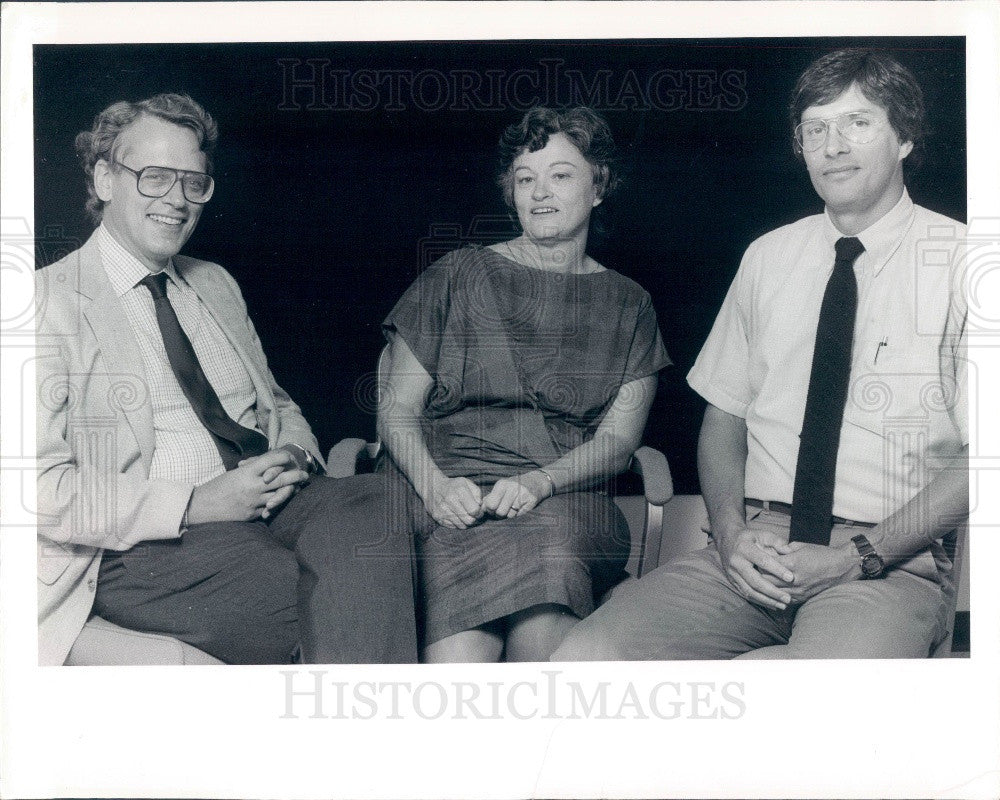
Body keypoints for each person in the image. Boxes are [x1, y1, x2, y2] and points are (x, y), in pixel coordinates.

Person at [553, 49, 968, 661]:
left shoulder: (962, 261)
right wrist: (730, 537)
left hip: (885, 558)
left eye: (858, 123)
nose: (833, 146)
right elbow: (724, 420)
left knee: (806, 717)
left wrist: (855, 557)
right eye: (815, 129)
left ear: (904, 137)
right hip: (756, 546)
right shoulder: (768, 257)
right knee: (582, 663)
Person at [35, 93, 417, 665]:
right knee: (316, 597)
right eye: (156, 177)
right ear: (105, 179)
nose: (178, 200)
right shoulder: (44, 301)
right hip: (146, 543)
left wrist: (296, 456)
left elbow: (276, 401)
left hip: (274, 501)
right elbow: (40, 491)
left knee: (380, 509)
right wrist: (194, 502)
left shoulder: (213, 282)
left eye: (195, 182)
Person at [329, 107, 670, 662]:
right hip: (443, 493)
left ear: (598, 186)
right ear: (509, 192)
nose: (540, 193)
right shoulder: (458, 273)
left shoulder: (630, 303)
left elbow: (617, 443)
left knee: (551, 550)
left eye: (561, 175)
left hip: (565, 496)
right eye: (525, 178)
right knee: (466, 576)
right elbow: (396, 411)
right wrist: (436, 487)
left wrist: (540, 482)